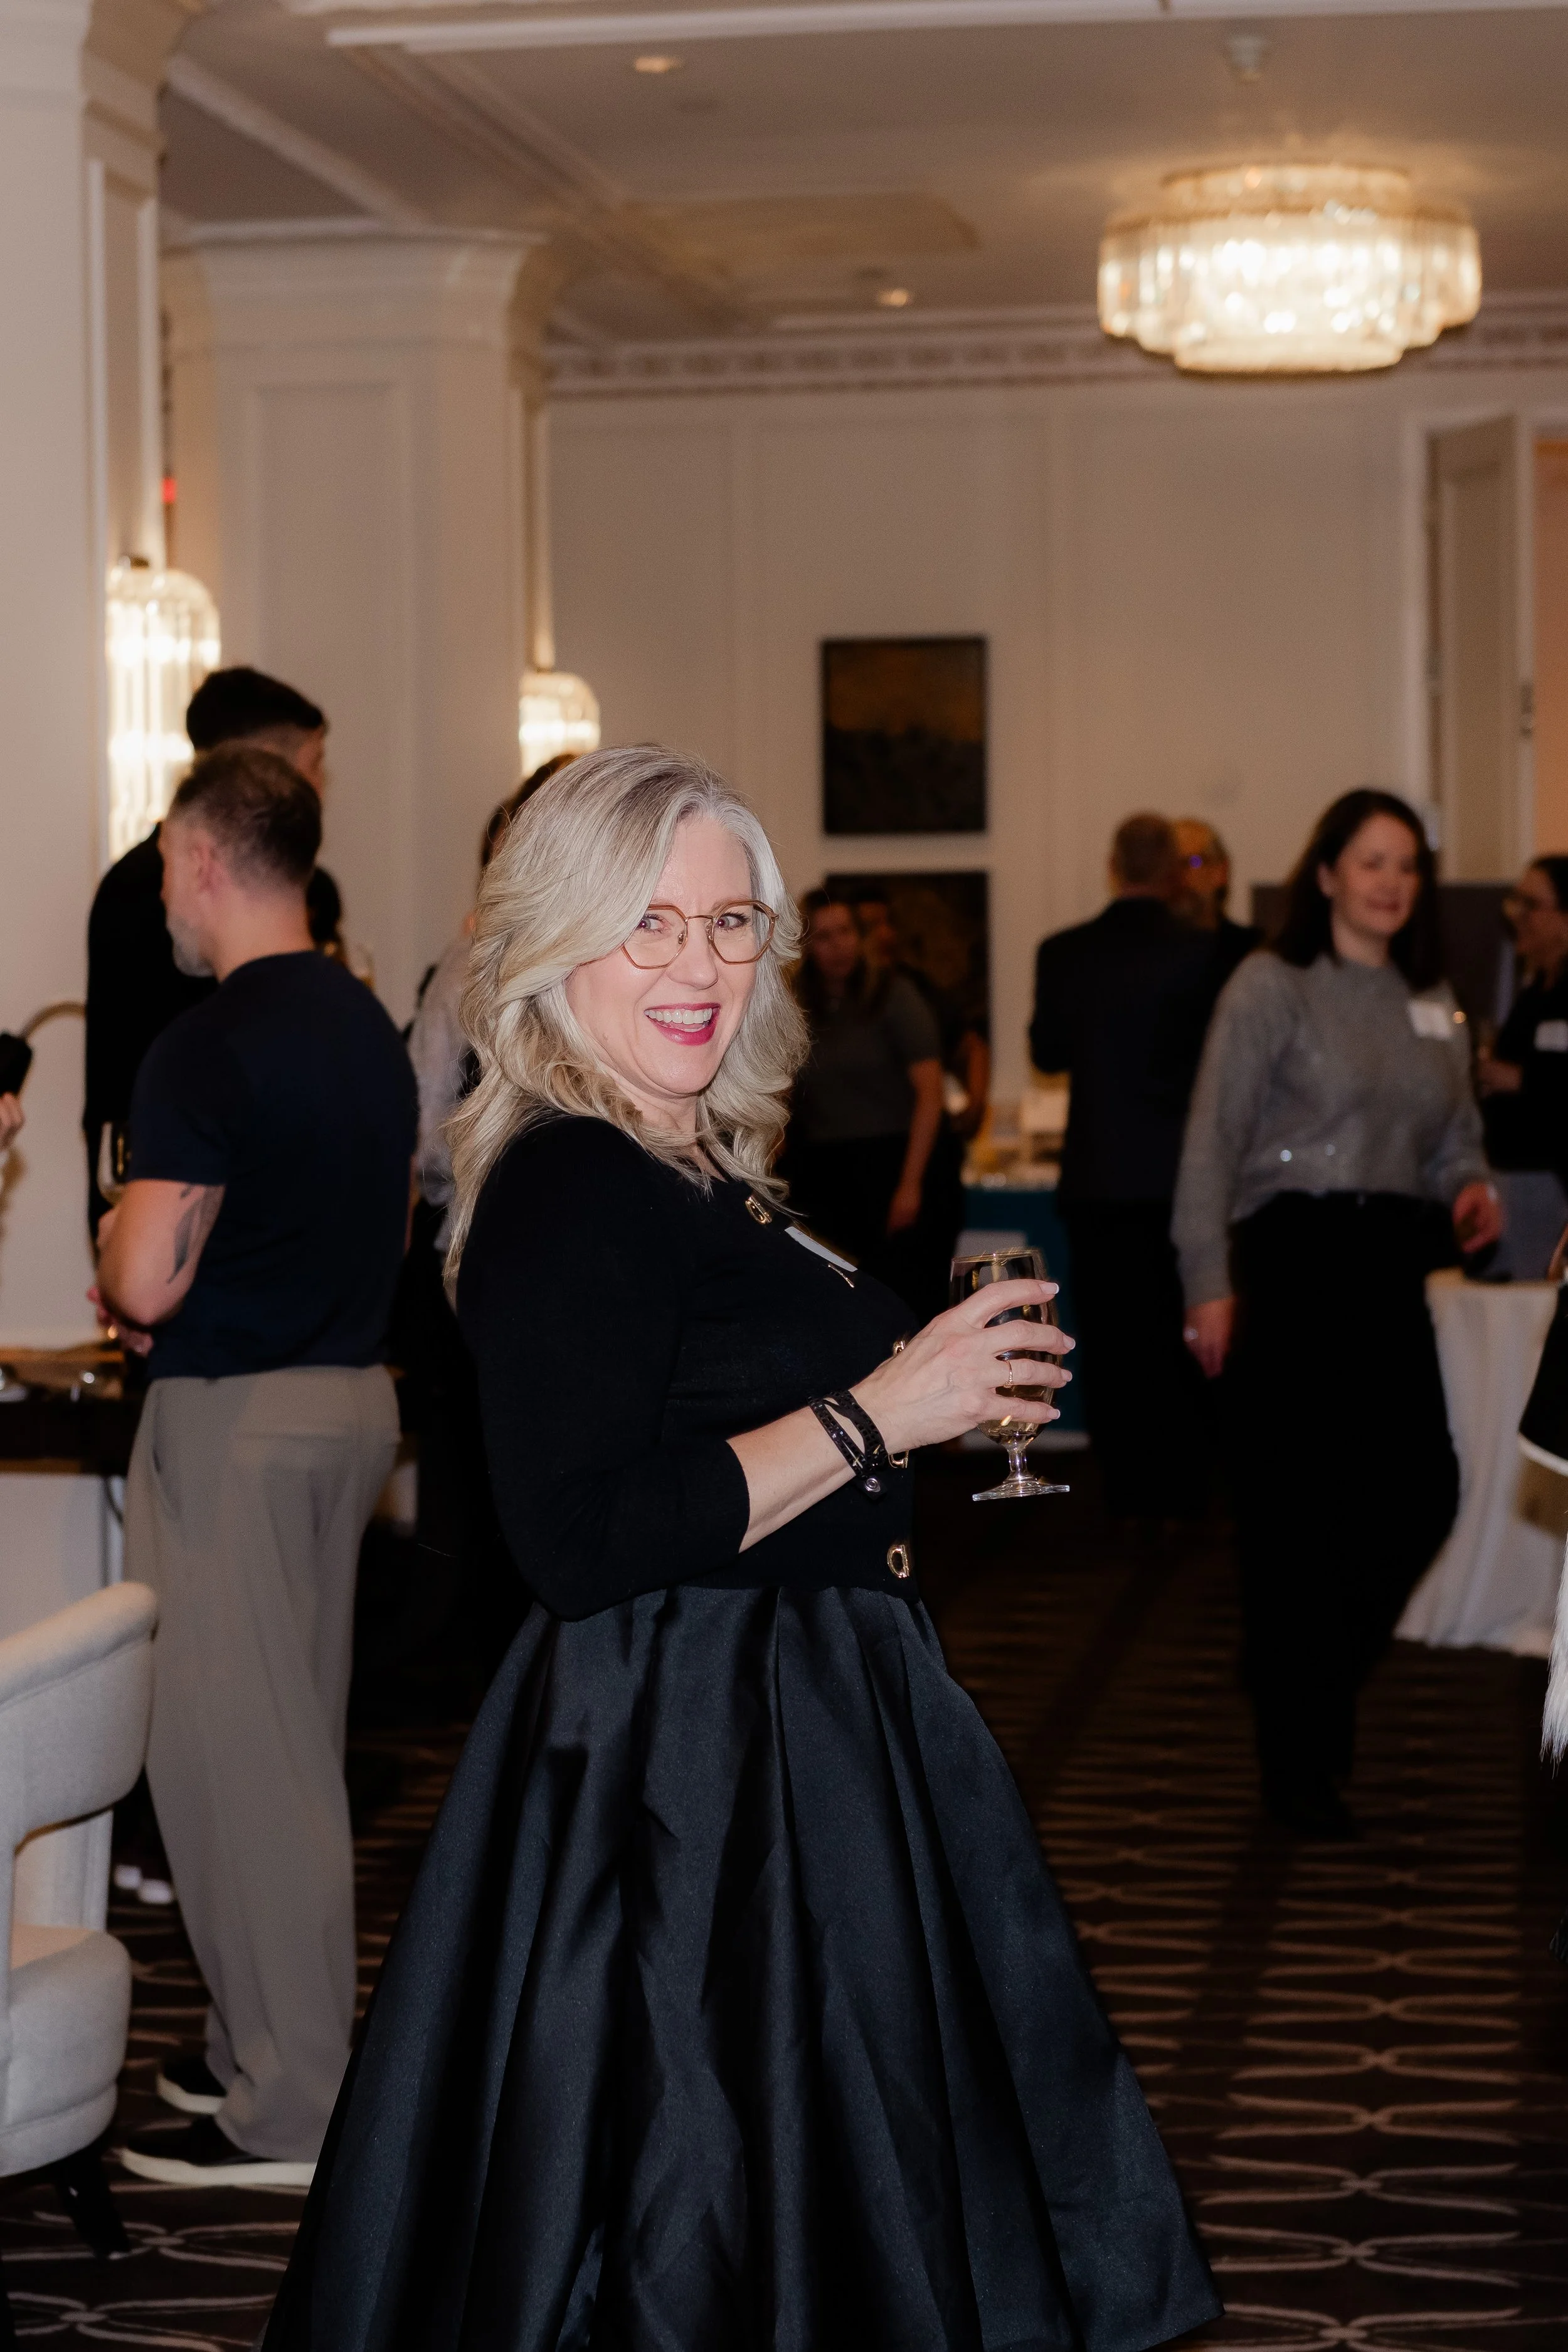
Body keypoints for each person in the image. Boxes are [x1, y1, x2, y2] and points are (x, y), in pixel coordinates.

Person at [260, 744, 1219, 2351]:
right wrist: (880, 1409)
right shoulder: (571, 1177)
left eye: (728, 922)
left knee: (815, 2184)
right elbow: (578, 1537)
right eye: (648, 924)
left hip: (789, 1727)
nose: (698, 965)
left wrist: (913, 1393)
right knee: (693, 2190)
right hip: (689, 1758)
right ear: (555, 940)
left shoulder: (688, 1157)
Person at [93, 744, 417, 2187]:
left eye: (167, 858)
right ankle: (253, 2050)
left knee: (245, 1766)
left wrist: (117, 1222)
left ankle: (288, 2107)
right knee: (278, 1749)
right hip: (351, 1403)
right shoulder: (362, 1020)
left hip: (233, 1416)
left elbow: (149, 1280)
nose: (163, 886)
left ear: (211, 857)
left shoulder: (205, 1041)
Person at [1175, 788, 1502, 1840]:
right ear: (1325, 875)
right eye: (1370, 861)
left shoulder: (1432, 996)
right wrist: (1206, 1281)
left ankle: (1295, 1675)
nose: (1390, 881)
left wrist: (1473, 1180)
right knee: (1296, 1532)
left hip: (1391, 1270)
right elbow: (1210, 1145)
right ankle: (1298, 1767)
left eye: (1407, 864)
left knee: (1419, 1496)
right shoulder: (1272, 985)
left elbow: (1454, 1131)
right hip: (1292, 1267)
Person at [1029, 813, 1226, 1525]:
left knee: (1111, 1340)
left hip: (1100, 1177)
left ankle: (1127, 1489)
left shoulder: (1064, 952)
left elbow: (1047, 1053)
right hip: (1179, 1178)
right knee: (1180, 1336)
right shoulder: (1201, 954)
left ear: (1113, 865)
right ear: (1175, 870)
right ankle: (1186, 1484)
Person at [84, 666, 329, 1232]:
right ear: (259, 769)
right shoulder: (138, 890)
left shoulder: (315, 890)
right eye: (313, 766)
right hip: (167, 1189)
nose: (320, 789)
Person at [785, 889, 948, 1318]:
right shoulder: (798, 1004)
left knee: (902, 1299)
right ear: (807, 947)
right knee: (837, 1305)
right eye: (823, 937)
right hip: (823, 1171)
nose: (837, 946)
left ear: (861, 937)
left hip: (892, 1162)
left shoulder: (894, 995)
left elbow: (931, 1094)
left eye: (844, 932)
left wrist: (910, 1186)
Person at [1476, 855, 1568, 1274]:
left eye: (1531, 906)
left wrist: (1521, 1079)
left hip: (1553, 1181)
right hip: (1513, 1177)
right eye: (1516, 904)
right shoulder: (1533, 992)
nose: (1519, 918)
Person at [1172, 817, 1261, 985]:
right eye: (1170, 865)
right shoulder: (1140, 954)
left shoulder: (1254, 953)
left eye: (1192, 862)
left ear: (1220, 871)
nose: (1178, 876)